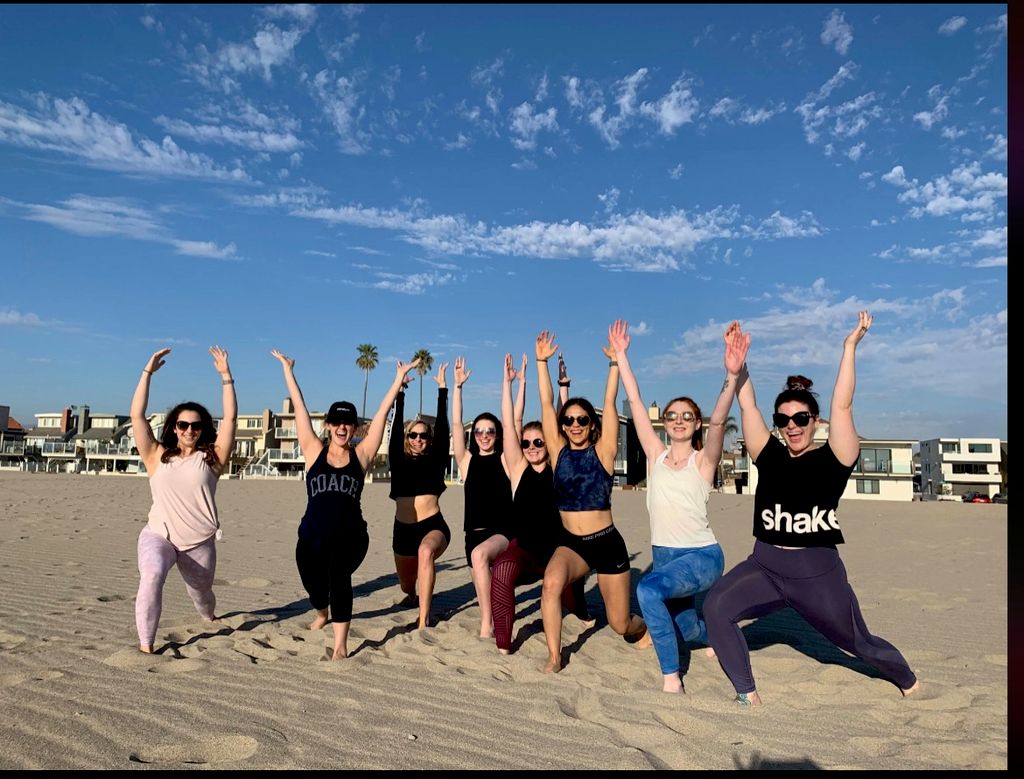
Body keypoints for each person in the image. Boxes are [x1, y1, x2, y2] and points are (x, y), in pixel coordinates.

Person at [703, 312, 919, 704]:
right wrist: (738, 367)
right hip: (765, 564)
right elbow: (747, 406)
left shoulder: (835, 458)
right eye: (783, 420)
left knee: (857, 642)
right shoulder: (768, 455)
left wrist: (849, 348)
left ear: (815, 421)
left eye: (801, 418)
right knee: (716, 607)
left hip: (816, 574)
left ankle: (907, 680)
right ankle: (745, 693)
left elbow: (843, 404)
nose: (792, 425)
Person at [610, 319, 737, 693]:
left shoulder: (703, 461)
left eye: (686, 416)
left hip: (701, 556)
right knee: (685, 625)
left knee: (648, 591)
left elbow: (718, 427)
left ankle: (671, 677)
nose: (678, 421)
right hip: (665, 555)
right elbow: (634, 401)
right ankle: (713, 635)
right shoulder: (655, 454)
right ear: (664, 424)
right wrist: (621, 356)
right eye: (671, 416)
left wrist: (730, 376)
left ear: (696, 424)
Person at [272, 349, 418, 659]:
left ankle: (340, 645)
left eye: (348, 422)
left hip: (351, 536)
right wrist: (288, 371)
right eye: (336, 421)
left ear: (355, 428)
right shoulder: (313, 451)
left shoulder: (361, 456)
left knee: (339, 575)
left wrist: (396, 382)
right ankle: (321, 611)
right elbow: (298, 408)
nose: (342, 427)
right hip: (310, 537)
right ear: (327, 425)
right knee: (314, 584)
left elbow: (381, 415)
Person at [535, 326, 646, 673]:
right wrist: (541, 363)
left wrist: (614, 364)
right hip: (572, 543)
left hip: (606, 542)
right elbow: (544, 403)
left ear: (591, 424)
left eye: (582, 419)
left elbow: (611, 403)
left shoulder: (605, 452)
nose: (574, 424)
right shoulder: (557, 451)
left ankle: (645, 629)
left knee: (619, 623)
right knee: (551, 583)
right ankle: (555, 657)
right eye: (568, 420)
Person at [130, 346, 236, 654]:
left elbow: (230, 417)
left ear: (203, 428)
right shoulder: (155, 455)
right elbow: (136, 415)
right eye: (182, 424)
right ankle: (146, 646)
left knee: (201, 593)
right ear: (174, 428)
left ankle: (208, 615)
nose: (189, 430)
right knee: (151, 577)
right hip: (158, 536)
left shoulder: (212, 458)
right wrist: (147, 372)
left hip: (199, 542)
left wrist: (225, 376)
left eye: (196, 425)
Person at [490, 353, 592, 655]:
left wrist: (563, 386)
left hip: (561, 551)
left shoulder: (560, 464)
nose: (532, 447)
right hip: (526, 551)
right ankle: (504, 644)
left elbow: (558, 420)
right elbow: (508, 424)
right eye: (527, 443)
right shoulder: (518, 469)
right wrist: (507, 384)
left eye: (538, 442)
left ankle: (581, 610)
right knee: (502, 569)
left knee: (575, 602)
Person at [452, 355, 514, 638]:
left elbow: (512, 420)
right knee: (482, 584)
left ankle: (487, 624)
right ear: (473, 434)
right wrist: (458, 388)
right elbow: (455, 424)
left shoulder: (504, 459)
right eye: (479, 431)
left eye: (490, 431)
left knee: (480, 557)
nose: (484, 435)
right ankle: (494, 612)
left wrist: (507, 383)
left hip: (499, 532)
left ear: (497, 434)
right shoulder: (466, 461)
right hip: (471, 534)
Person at [388, 361, 452, 629]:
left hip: (432, 526)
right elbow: (392, 434)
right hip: (403, 530)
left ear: (429, 438)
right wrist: (400, 393)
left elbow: (444, 433)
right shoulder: (398, 459)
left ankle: (424, 619)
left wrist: (442, 390)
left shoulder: (436, 459)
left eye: (423, 436)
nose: (418, 439)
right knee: (405, 584)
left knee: (426, 552)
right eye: (413, 435)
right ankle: (412, 596)